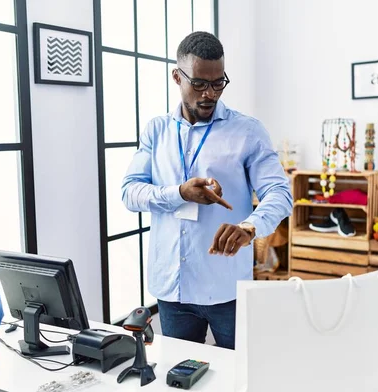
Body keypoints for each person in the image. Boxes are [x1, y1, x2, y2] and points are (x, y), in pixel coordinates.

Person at [121, 31, 292, 350]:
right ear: (177, 76)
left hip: (226, 288)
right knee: (181, 381)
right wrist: (179, 193)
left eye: (218, 83)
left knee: (242, 377)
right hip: (172, 291)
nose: (209, 93)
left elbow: (280, 195)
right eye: (199, 83)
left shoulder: (247, 131)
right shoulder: (157, 130)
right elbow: (130, 192)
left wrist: (249, 227)